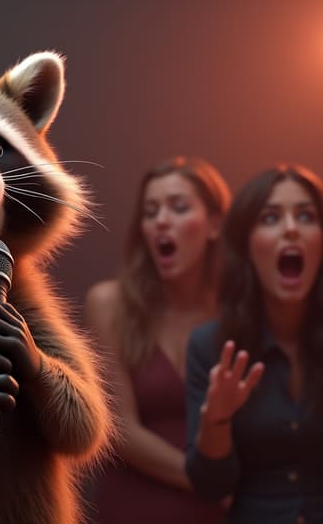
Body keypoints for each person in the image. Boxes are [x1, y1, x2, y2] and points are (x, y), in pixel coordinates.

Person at [84, 156, 231, 522]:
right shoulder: (109, 304)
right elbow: (120, 430)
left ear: (214, 224)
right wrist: (209, 481)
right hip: (136, 506)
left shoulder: (237, 313)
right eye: (151, 212)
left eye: (179, 208)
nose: (162, 220)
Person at [186, 164, 323, 523]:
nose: (291, 229)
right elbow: (211, 487)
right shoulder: (211, 346)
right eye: (271, 217)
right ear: (247, 244)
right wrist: (217, 418)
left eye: (306, 216)